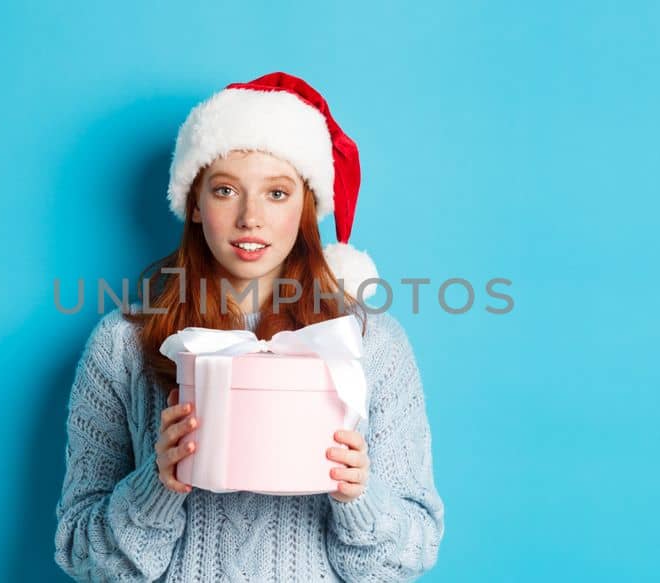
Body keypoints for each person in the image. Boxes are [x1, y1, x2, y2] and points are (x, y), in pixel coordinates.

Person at [53, 72, 443, 581]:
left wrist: (359, 497)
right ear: (194, 203)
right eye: (226, 190)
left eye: (277, 193)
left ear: (306, 207)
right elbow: (80, 555)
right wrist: (157, 485)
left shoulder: (371, 344)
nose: (250, 218)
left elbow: (408, 559)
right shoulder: (122, 343)